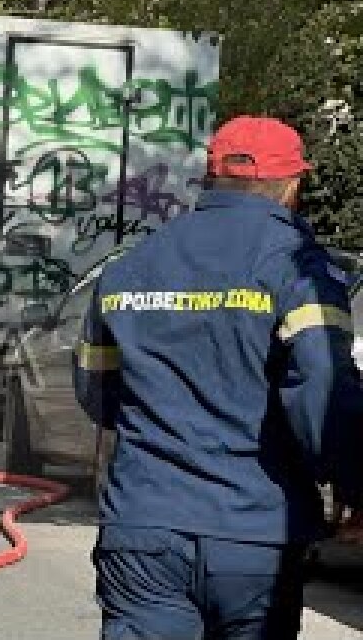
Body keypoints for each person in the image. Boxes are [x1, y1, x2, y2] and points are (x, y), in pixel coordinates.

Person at [75, 116, 363, 639]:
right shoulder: (299, 270)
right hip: (255, 535)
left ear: (210, 178)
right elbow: (322, 391)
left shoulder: (129, 265)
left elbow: (97, 389)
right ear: (292, 185)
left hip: (144, 527)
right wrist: (353, 485)